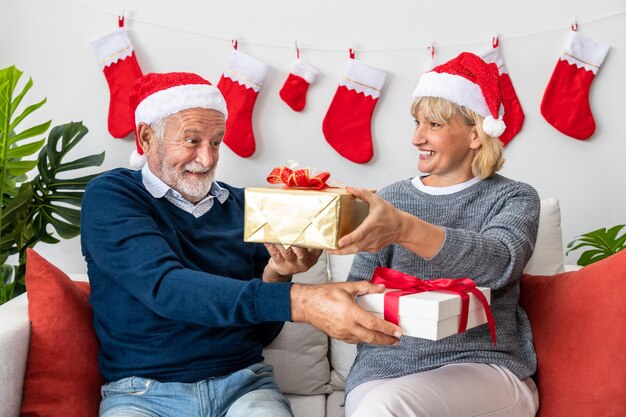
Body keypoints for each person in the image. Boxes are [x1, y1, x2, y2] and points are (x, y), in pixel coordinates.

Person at [80, 72, 401, 417]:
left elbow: (259, 333)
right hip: (142, 394)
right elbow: (165, 287)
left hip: (243, 386)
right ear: (146, 137)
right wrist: (303, 301)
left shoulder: (246, 206)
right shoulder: (113, 195)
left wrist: (277, 275)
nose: (206, 159)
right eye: (191, 140)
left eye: (215, 142)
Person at [331, 52, 541, 417]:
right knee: (374, 407)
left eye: (434, 125)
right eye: (416, 122)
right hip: (381, 371)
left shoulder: (514, 197)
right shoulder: (393, 197)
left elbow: (500, 263)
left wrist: (405, 228)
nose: (416, 137)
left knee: (385, 408)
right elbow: (358, 291)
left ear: (476, 133)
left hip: (481, 365)